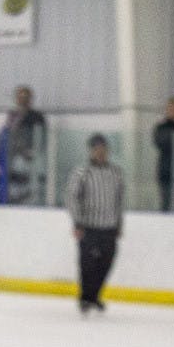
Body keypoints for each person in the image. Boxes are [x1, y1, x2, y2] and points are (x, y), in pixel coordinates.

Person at [65, 133, 124, 314]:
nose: (101, 152)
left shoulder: (116, 172)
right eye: (97, 149)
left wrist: (119, 223)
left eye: (104, 149)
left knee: (106, 262)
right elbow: (72, 197)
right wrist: (77, 221)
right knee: (87, 263)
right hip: (88, 225)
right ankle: (86, 297)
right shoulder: (82, 172)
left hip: (109, 226)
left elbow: (119, 200)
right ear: (91, 151)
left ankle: (94, 295)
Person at [4, 85, 47, 203]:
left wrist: (31, 151)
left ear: (30, 99)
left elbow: (42, 137)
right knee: (15, 184)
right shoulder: (12, 115)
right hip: (15, 156)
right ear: (16, 99)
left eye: (26, 97)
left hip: (32, 157)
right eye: (20, 97)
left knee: (32, 185)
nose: (23, 99)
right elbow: (9, 134)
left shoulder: (37, 116)